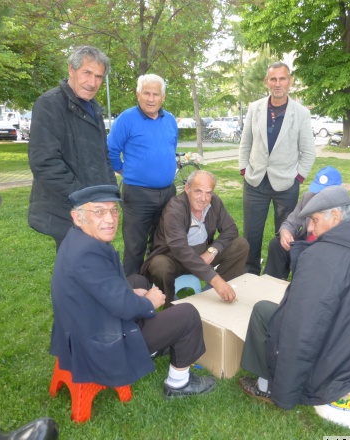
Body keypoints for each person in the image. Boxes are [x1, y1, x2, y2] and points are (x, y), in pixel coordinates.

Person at [238, 186, 350, 428]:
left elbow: (301, 331)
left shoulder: (323, 256)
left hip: (341, 362)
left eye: (314, 220)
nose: (309, 228)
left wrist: (286, 393)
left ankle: (265, 386)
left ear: (337, 218)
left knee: (265, 312)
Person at [50, 185, 216, 399]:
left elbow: (101, 288)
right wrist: (149, 303)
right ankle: (178, 383)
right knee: (187, 314)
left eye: (113, 211)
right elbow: (123, 307)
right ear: (78, 217)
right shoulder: (88, 255)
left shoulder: (78, 239)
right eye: (99, 212)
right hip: (98, 343)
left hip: (86, 324)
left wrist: (131, 292)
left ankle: (155, 344)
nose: (110, 219)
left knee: (138, 281)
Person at [28, 46, 117, 251]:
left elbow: (102, 156)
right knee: (76, 272)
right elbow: (44, 162)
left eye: (99, 77)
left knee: (96, 267)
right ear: (71, 70)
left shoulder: (94, 108)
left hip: (95, 209)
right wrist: (84, 200)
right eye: (87, 73)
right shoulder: (49, 104)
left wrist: (109, 195)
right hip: (68, 212)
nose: (93, 82)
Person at [238, 62, 315, 275]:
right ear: (267, 82)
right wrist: (244, 170)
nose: (277, 83)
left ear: (289, 82)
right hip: (255, 182)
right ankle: (250, 273)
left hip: (286, 184)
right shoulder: (255, 108)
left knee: (284, 234)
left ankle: (277, 275)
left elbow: (308, 152)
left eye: (282, 79)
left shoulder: (300, 113)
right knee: (251, 234)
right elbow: (246, 143)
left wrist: (297, 178)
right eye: (273, 79)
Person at [107, 74, 179, 278]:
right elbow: (111, 150)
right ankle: (132, 290)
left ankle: (156, 282)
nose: (151, 98)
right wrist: (123, 170)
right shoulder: (126, 119)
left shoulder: (170, 120)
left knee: (162, 242)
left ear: (163, 97)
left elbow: (171, 147)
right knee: (135, 246)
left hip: (167, 193)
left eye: (156, 94)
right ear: (138, 94)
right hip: (137, 194)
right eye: (146, 93)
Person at [142, 170, 249, 305]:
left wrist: (213, 250)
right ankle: (170, 305)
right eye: (198, 191)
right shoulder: (175, 208)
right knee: (159, 265)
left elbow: (231, 229)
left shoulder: (214, 202)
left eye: (208, 193)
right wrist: (215, 279)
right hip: (174, 258)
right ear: (187, 188)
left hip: (203, 255)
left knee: (241, 245)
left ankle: (214, 295)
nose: (203, 198)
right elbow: (180, 250)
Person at [263, 166, 345, 280]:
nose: (318, 196)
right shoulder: (307, 198)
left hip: (328, 252)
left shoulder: (346, 209)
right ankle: (272, 284)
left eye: (324, 192)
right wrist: (285, 232)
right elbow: (291, 222)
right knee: (277, 244)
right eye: (317, 191)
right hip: (306, 245)